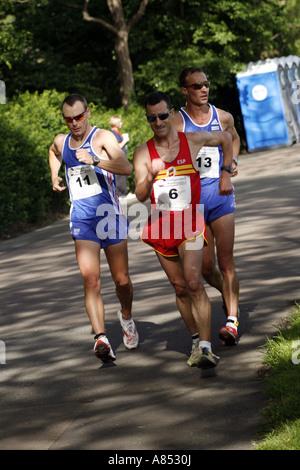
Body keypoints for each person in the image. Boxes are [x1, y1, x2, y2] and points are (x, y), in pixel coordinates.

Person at [133, 91, 233, 369]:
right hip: (162, 225)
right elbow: (140, 195)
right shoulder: (142, 152)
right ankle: (193, 341)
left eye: (163, 115)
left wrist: (226, 170)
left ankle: (205, 347)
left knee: (192, 282)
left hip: (190, 221)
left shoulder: (193, 140)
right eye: (152, 118)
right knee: (179, 288)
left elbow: (225, 138)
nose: (158, 121)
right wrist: (151, 175)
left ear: (171, 113)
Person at [48, 94, 139, 364]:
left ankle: (126, 317)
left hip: (109, 215)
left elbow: (126, 167)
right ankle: (101, 338)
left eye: (78, 116)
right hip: (82, 219)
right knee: (91, 280)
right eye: (68, 119)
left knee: (121, 280)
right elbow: (53, 153)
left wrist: (95, 161)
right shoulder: (61, 141)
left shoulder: (103, 139)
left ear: (88, 112)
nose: (74, 123)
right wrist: (54, 174)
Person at [172, 67, 240, 346]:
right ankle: (229, 297)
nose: (203, 89)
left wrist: (229, 165)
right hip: (194, 201)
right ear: (184, 91)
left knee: (226, 262)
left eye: (206, 84)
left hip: (220, 194)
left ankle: (233, 320)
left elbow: (233, 138)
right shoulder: (177, 122)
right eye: (196, 85)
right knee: (207, 267)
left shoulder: (222, 116)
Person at [109, 116, 130, 198]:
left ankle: (123, 193)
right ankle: (121, 194)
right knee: (120, 176)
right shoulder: (113, 133)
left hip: (121, 158)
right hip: (118, 159)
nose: (121, 123)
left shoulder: (116, 132)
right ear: (116, 123)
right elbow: (117, 147)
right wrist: (125, 140)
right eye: (120, 122)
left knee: (123, 176)